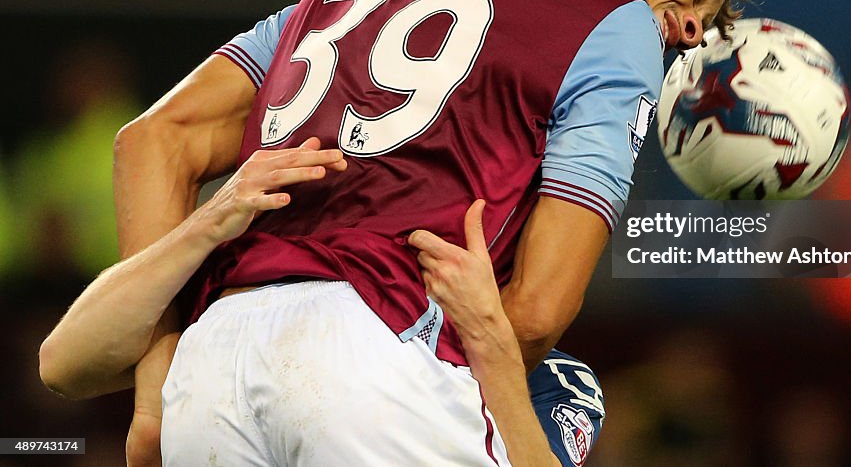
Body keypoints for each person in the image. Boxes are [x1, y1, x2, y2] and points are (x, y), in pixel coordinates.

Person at [110, 0, 758, 464]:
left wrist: (156, 394)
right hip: (380, 355)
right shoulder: (615, 13)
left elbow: (154, 138)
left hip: (213, 364)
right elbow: (538, 309)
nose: (691, 28)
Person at [39, 141, 604, 466]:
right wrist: (207, 223)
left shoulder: (562, 381)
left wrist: (489, 339)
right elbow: (63, 364)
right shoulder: (253, 298)